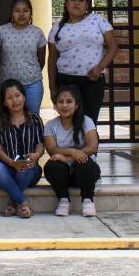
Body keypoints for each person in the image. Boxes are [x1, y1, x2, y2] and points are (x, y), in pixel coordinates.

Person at [47, 0, 116, 126]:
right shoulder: (57, 28)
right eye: (73, 0)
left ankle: (88, 149)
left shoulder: (98, 20)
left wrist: (99, 68)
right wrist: (53, 87)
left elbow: (113, 47)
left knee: (89, 123)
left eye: (81, 0)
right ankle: (69, 149)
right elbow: (52, 59)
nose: (77, 3)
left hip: (92, 80)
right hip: (65, 81)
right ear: (66, 4)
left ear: (87, 5)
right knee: (68, 122)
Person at [43, 84, 101, 217]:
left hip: (86, 172)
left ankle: (88, 200)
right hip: (64, 175)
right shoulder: (51, 125)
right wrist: (73, 151)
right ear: (56, 105)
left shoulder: (86, 121)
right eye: (60, 102)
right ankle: (63, 200)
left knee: (84, 162)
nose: (64, 105)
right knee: (52, 165)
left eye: (69, 101)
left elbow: (93, 146)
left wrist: (69, 158)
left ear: (76, 105)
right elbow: (52, 149)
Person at [0, 79, 45, 219]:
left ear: (24, 97)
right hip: (8, 169)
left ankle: (12, 201)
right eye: (9, 97)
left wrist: (36, 155)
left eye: (17, 95)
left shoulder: (35, 119)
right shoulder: (0, 121)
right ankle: (23, 202)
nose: (15, 100)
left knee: (25, 166)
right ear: (4, 102)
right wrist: (12, 163)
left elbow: (40, 144)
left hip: (30, 169)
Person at [0, 0, 48, 113]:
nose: (21, 14)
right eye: (17, 11)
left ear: (31, 13)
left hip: (32, 83)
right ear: (11, 13)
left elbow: (41, 61)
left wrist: (29, 71)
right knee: (8, 118)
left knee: (32, 117)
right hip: (8, 84)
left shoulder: (37, 32)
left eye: (25, 10)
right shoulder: (1, 31)